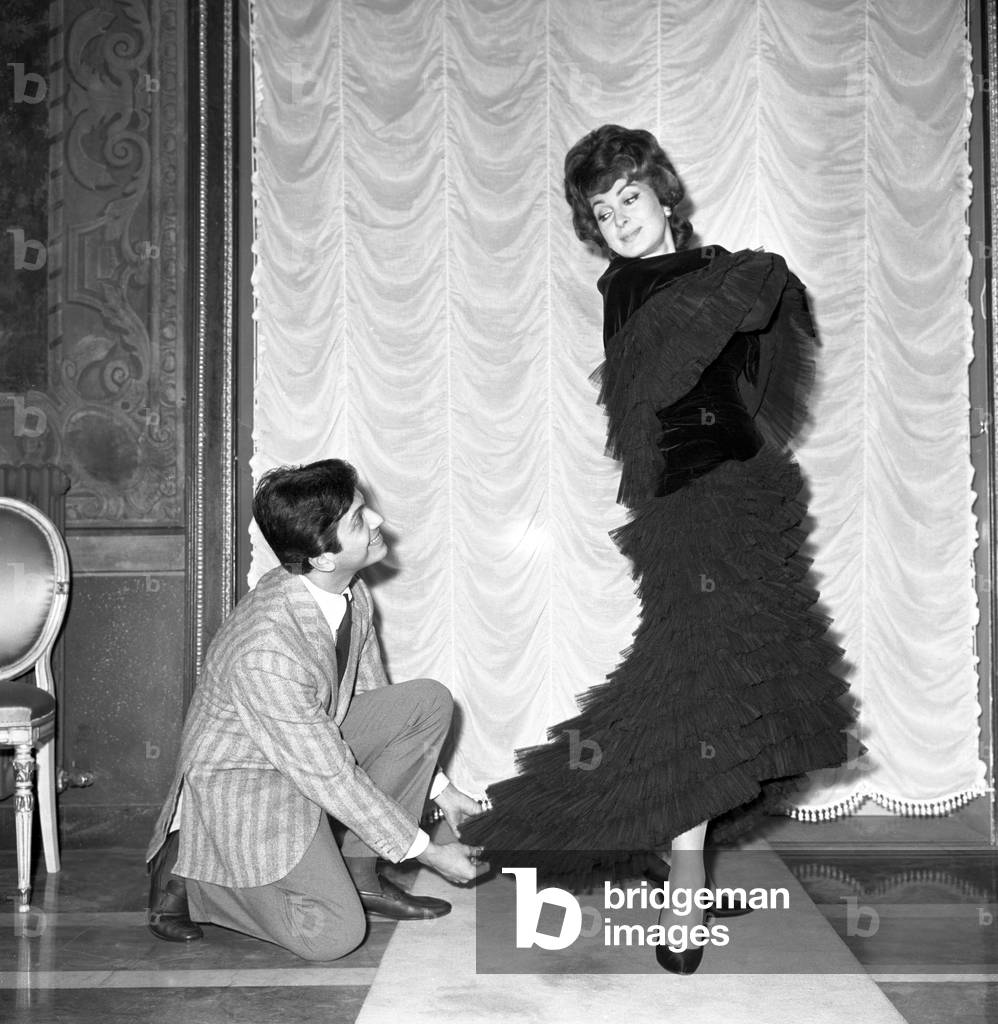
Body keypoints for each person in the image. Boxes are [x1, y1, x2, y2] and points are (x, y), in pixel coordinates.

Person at [460, 125, 858, 974]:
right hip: (691, 514)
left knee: (740, 688)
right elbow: (730, 308)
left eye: (629, 198)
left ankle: (675, 858)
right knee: (693, 698)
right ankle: (671, 880)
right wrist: (750, 271)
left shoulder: (712, 274)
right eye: (602, 213)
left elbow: (755, 328)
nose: (619, 220)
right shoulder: (632, 288)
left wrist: (752, 271)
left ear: (662, 195)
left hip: (747, 500)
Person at [146, 459, 486, 960]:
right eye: (359, 519)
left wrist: (444, 792)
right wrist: (428, 852)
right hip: (245, 781)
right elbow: (329, 774)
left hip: (304, 754)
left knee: (425, 702)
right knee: (332, 935)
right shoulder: (265, 649)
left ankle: (363, 874)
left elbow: (373, 700)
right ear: (323, 557)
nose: (377, 520)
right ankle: (192, 872)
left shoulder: (349, 591)